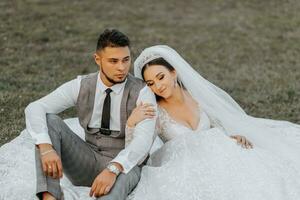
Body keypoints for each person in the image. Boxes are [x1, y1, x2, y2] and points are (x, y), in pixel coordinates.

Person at [125, 45, 300, 200]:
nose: (158, 86)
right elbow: (139, 149)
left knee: (259, 180)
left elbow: (215, 124)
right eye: (151, 83)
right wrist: (132, 123)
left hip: (218, 152)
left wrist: (230, 136)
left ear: (173, 72)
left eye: (161, 77)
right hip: (184, 165)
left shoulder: (195, 94)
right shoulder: (155, 111)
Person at [23, 29, 157, 200]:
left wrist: (113, 168)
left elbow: (143, 142)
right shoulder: (82, 85)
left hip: (125, 166)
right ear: (97, 60)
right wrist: (45, 147)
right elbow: (35, 107)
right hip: (87, 160)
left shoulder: (143, 92)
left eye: (126, 60)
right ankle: (50, 197)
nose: (122, 67)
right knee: (50, 122)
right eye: (113, 61)